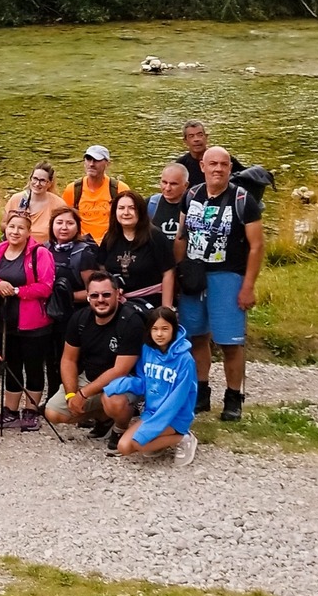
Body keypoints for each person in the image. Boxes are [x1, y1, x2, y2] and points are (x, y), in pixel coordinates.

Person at [174, 146, 264, 422]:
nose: (218, 169)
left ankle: (233, 397)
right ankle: (202, 392)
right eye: (212, 164)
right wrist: (177, 273)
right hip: (194, 276)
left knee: (230, 342)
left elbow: (257, 246)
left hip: (227, 276)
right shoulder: (191, 195)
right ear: (202, 166)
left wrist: (248, 286)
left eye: (224, 164)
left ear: (230, 168)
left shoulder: (243, 200)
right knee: (197, 337)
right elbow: (181, 236)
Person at [43, 272, 147, 449]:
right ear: (88, 296)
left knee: (113, 401)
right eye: (94, 295)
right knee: (52, 412)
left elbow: (119, 370)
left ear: (117, 294)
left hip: (125, 381)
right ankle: (103, 417)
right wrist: (71, 395)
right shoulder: (80, 319)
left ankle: (120, 428)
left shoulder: (131, 321)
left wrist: (83, 395)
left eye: (106, 294)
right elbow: (68, 359)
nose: (101, 300)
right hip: (90, 377)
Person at [0, 212, 57, 432]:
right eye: (11, 227)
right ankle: (10, 411)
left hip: (34, 322)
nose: (15, 232)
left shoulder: (40, 254)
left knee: (33, 367)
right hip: (6, 320)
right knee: (11, 365)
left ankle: (30, 411)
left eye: (20, 228)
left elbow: (45, 287)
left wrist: (15, 290)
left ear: (28, 231)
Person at [104, 306, 200, 465]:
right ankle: (159, 440)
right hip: (152, 412)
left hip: (175, 416)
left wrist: (154, 426)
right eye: (155, 329)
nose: (159, 334)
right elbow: (143, 381)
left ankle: (183, 438)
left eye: (165, 329)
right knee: (124, 447)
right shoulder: (147, 350)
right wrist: (119, 385)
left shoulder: (185, 360)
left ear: (174, 329)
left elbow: (177, 400)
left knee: (139, 442)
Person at [103, 191, 175, 311]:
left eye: (132, 208)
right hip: (117, 302)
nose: (126, 213)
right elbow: (102, 267)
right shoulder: (110, 237)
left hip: (149, 301)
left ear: (140, 211)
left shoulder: (155, 236)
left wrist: (166, 308)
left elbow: (168, 273)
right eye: (121, 208)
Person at [67, 145, 128, 243]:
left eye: (97, 160)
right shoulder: (73, 189)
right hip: (81, 245)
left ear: (107, 164)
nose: (91, 164)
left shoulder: (120, 189)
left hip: (110, 243)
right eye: (88, 159)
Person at [0, 161, 69, 239]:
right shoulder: (16, 199)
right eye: (35, 179)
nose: (37, 183)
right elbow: (3, 225)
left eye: (42, 180)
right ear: (30, 179)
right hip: (18, 247)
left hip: (45, 248)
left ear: (49, 183)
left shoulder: (58, 204)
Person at [176, 120, 242, 189]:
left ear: (206, 137)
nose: (196, 139)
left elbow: (245, 176)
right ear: (185, 141)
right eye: (191, 136)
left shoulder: (222, 158)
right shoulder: (181, 165)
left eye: (200, 135)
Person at [148, 163, 190, 243]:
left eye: (173, 184)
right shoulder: (150, 204)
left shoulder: (193, 207)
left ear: (186, 185)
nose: (167, 188)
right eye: (164, 182)